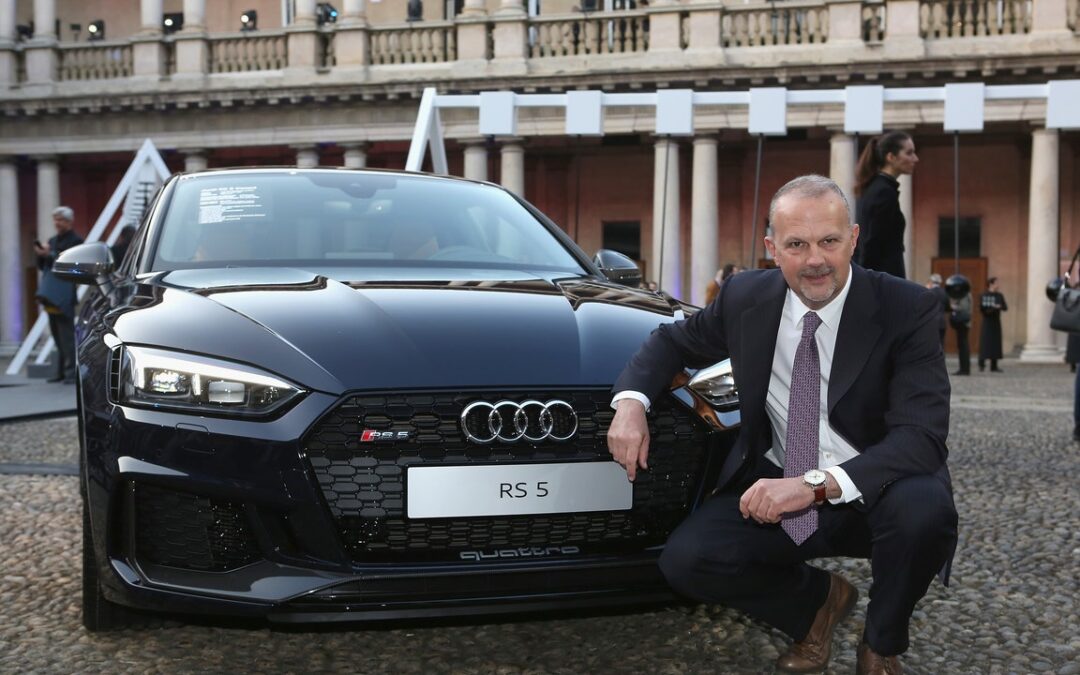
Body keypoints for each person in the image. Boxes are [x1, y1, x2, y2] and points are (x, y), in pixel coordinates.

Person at [607, 175, 956, 675]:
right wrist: (631, 404)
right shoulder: (745, 297)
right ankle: (817, 607)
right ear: (773, 248)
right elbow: (670, 342)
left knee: (926, 513)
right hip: (777, 480)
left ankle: (881, 642)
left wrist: (814, 486)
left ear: (853, 239)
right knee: (686, 561)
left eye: (829, 241)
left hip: (876, 488)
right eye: (797, 244)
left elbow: (920, 438)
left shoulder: (907, 308)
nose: (815, 259)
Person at [854, 130, 918, 279]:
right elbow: (872, 243)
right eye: (909, 153)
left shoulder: (880, 188)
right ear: (891, 157)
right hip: (884, 280)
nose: (915, 158)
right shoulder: (883, 192)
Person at [33, 206, 85, 384]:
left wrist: (51, 254)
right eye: (55, 219)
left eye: (60, 220)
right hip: (51, 295)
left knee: (67, 336)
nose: (57, 223)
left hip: (64, 294)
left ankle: (71, 372)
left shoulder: (76, 241)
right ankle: (61, 371)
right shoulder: (52, 240)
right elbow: (44, 267)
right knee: (56, 335)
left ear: (69, 222)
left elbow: (71, 264)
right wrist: (42, 255)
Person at [977, 277, 1007, 373]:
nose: (998, 285)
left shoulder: (999, 295)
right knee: (985, 343)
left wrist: (999, 307)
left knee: (995, 344)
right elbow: (982, 309)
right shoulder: (984, 295)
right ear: (991, 284)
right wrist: (994, 308)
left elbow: (1005, 307)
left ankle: (994, 366)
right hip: (987, 322)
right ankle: (981, 364)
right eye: (996, 283)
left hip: (996, 322)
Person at [950, 290, 972, 376]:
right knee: (962, 345)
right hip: (963, 323)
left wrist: (953, 306)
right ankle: (963, 368)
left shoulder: (965, 294)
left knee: (963, 346)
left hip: (963, 323)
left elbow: (964, 307)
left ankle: (964, 369)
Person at [926, 273, 949, 348]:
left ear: (931, 282)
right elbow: (948, 308)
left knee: (931, 344)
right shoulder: (945, 292)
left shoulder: (929, 292)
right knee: (941, 344)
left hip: (931, 321)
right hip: (942, 322)